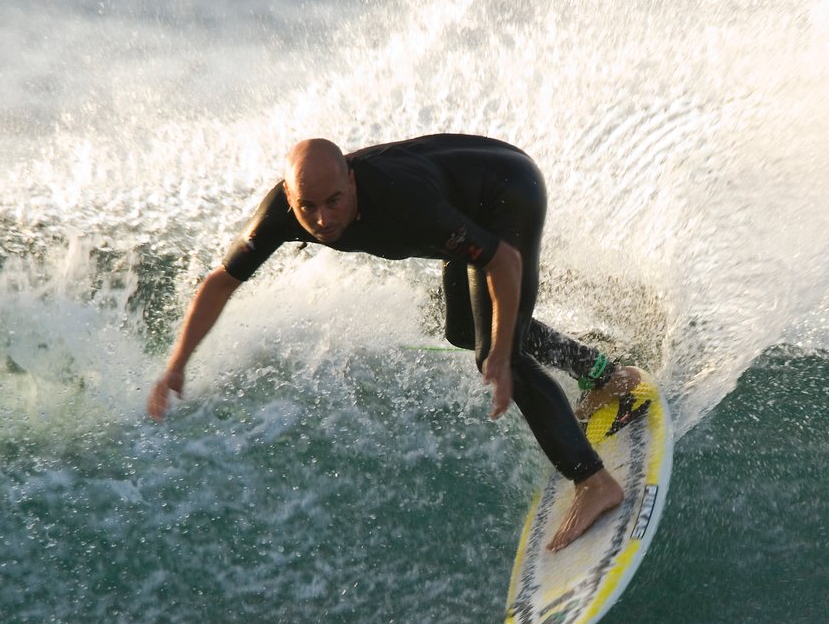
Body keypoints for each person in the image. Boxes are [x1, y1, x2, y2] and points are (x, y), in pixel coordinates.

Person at [147, 134, 639, 551]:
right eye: (307, 207)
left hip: (506, 194)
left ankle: (594, 482)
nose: (321, 220)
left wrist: (505, 354)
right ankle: (602, 375)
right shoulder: (283, 212)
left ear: (351, 182)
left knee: (494, 350)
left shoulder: (404, 200)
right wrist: (176, 364)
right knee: (467, 332)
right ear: (290, 198)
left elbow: (503, 262)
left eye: (334, 201)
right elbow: (220, 282)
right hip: (463, 204)